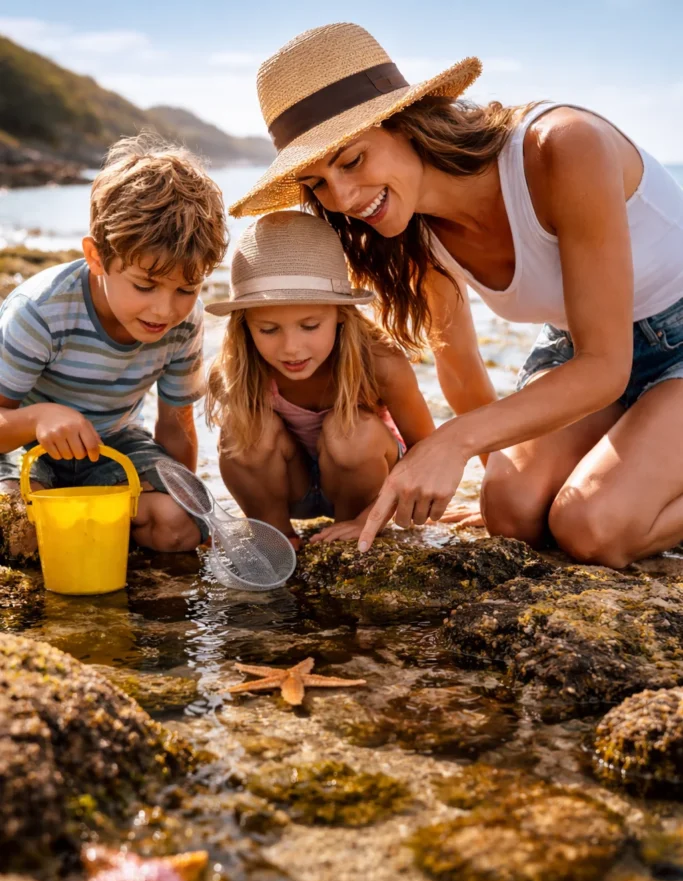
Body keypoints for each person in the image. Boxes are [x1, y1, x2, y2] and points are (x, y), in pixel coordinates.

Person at [229, 22, 683, 567]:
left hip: (649, 348)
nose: (343, 196)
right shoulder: (404, 230)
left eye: (351, 160)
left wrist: (453, 442)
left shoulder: (562, 146)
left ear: (406, 122)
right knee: (511, 513)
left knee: (589, 527)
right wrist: (497, 479)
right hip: (585, 351)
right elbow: (462, 368)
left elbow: (605, 365)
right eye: (319, 182)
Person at [0, 134, 228, 551]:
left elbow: (176, 425)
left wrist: (190, 506)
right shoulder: (40, 312)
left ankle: (98, 522)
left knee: (178, 526)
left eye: (186, 289)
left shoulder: (182, 323)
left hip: (113, 447)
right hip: (23, 447)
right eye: (145, 285)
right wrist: (39, 418)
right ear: (97, 258)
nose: (164, 310)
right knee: (22, 531)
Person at [205, 210, 434, 548]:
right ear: (245, 325)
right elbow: (243, 458)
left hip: (362, 483)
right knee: (241, 429)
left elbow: (428, 453)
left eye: (310, 326)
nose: (291, 348)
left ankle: (346, 535)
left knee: (351, 431)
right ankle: (276, 536)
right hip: (290, 486)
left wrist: (369, 517)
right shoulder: (236, 369)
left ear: (341, 314)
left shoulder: (380, 362)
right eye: (268, 330)